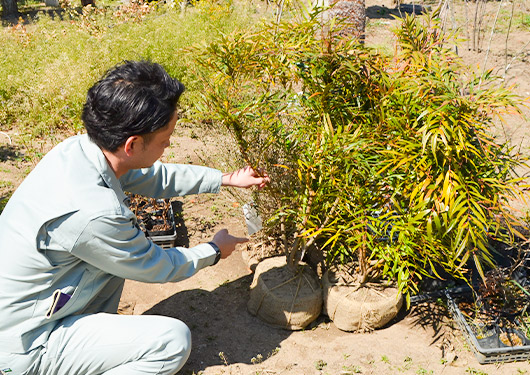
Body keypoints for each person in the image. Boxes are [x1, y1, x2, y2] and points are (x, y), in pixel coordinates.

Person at [0, 60, 269, 375]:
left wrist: (224, 179)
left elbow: (154, 177)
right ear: (132, 144)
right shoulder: (94, 214)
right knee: (172, 342)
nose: (169, 144)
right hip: (26, 344)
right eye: (166, 138)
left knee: (108, 268)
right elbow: (155, 265)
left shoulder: (79, 151)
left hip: (27, 307)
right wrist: (212, 250)